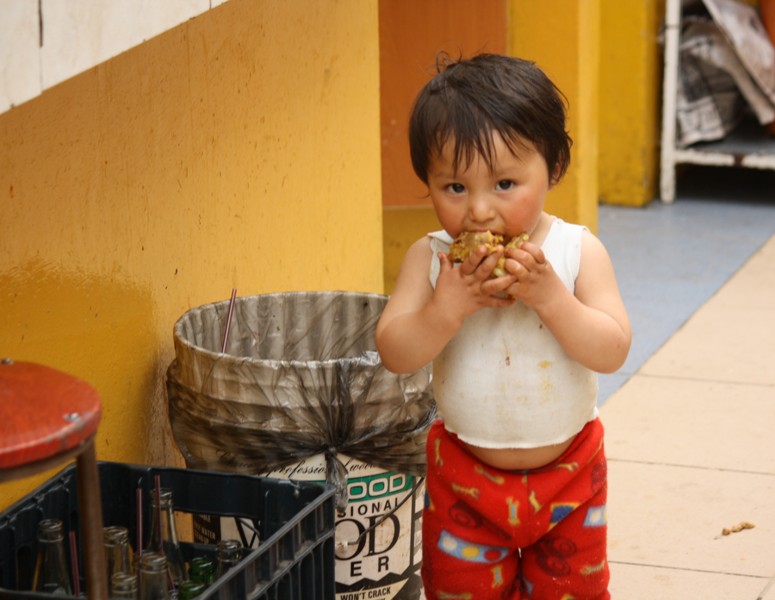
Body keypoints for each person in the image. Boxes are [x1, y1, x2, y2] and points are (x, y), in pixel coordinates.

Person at [375, 53, 631, 599]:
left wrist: (552, 299)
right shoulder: (431, 258)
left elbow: (611, 349)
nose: (481, 212)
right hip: (465, 478)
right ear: (428, 182)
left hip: (569, 478)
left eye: (506, 183)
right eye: (455, 188)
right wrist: (445, 310)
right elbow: (394, 351)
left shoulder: (574, 251)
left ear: (553, 168)